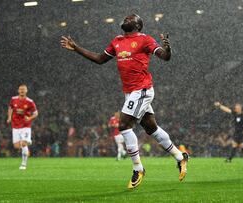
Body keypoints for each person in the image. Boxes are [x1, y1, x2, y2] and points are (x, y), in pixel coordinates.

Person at [61, 13, 188, 189]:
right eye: (126, 18)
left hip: (142, 89)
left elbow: (165, 57)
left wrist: (168, 48)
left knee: (123, 126)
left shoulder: (144, 39)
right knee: (151, 128)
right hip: (130, 93)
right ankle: (181, 157)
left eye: (130, 18)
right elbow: (99, 59)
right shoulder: (117, 41)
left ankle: (138, 168)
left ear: (137, 25)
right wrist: (77, 48)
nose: (126, 19)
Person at [7, 84, 38, 170]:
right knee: (17, 146)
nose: (22, 91)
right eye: (20, 89)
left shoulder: (30, 101)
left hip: (25, 125)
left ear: (26, 91)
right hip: (15, 125)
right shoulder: (13, 99)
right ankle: (28, 141)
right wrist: (9, 117)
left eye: (23, 89)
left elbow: (36, 113)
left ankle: (24, 164)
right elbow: (10, 108)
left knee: (23, 144)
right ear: (18, 90)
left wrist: (29, 118)